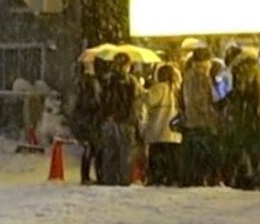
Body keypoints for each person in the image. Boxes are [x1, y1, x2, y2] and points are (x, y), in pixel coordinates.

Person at [225, 45, 260, 190]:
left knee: (253, 147)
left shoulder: (242, 68)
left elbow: (243, 90)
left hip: (251, 113)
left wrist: (231, 98)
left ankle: (259, 178)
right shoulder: (254, 66)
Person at [98, 53, 142, 186]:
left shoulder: (106, 80)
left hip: (108, 120)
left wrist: (106, 114)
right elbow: (134, 101)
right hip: (125, 120)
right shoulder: (130, 81)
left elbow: (102, 100)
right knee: (125, 152)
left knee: (110, 151)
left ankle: (109, 178)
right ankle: (123, 179)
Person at [181, 48, 222, 186]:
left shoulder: (188, 75)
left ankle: (196, 179)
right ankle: (203, 180)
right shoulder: (200, 77)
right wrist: (212, 115)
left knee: (196, 155)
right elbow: (202, 101)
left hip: (192, 121)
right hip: (202, 122)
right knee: (205, 154)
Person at [141, 64, 183, 186]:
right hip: (173, 132)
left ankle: (156, 178)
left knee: (157, 157)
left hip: (159, 129)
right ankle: (170, 178)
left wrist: (143, 91)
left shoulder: (159, 88)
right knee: (171, 158)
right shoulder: (176, 89)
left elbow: (149, 100)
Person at [73, 61, 103, 185]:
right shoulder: (91, 84)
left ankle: (85, 176)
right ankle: (96, 175)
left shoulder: (80, 84)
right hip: (91, 121)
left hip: (84, 121)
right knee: (95, 149)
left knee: (88, 149)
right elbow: (94, 102)